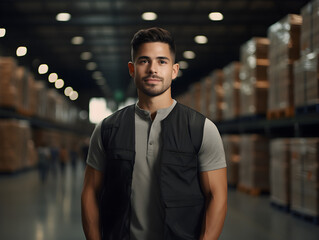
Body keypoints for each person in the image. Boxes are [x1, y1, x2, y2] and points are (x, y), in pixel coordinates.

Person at [81, 27, 227, 240]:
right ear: (132, 69)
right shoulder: (107, 129)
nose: (152, 69)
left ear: (174, 70)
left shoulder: (201, 129)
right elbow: (90, 193)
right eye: (144, 61)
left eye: (162, 61)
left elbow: (217, 196)